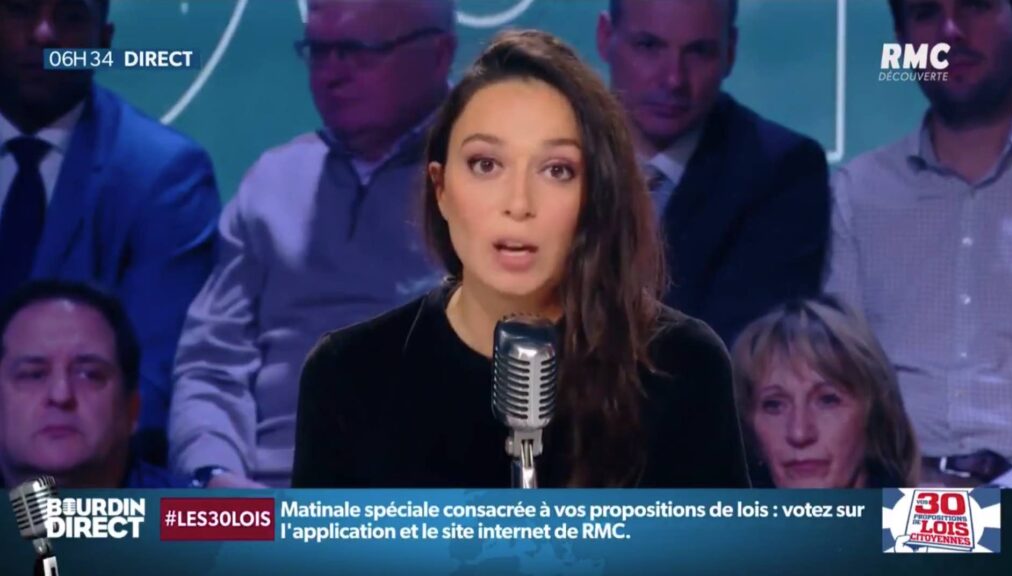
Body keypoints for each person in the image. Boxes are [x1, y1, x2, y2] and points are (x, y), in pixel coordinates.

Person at [291, 29, 750, 489]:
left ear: (594, 196)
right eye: (486, 165)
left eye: (557, 170)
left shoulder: (682, 366)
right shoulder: (348, 376)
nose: (518, 203)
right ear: (441, 187)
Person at [169, 0, 456, 488]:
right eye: (319, 51)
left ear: (438, 55)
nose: (331, 75)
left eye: (358, 51)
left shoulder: (496, 183)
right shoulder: (272, 183)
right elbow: (212, 363)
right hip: (268, 492)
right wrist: (214, 473)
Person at [0, 0, 221, 465]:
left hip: (78, 479)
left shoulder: (164, 175)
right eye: (21, 10)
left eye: (70, 17)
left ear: (103, 42)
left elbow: (148, 386)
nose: (44, 35)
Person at [829, 0, 1012, 486]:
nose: (951, 31)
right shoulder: (858, 193)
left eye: (975, 5)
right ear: (902, 42)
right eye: (925, 13)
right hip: (900, 493)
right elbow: (836, 377)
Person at [596, 0, 831, 346]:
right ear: (605, 37)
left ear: (730, 52)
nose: (674, 79)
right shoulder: (553, 156)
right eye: (649, 46)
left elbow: (743, 352)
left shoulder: (781, 172)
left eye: (699, 52)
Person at [0, 280, 188, 489]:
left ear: (132, 410)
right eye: (33, 375)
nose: (61, 394)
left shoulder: (195, 509)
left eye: (89, 375)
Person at [732, 297, 920, 488]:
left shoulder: (922, 507)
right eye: (774, 405)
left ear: (874, 418)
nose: (799, 433)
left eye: (828, 400)